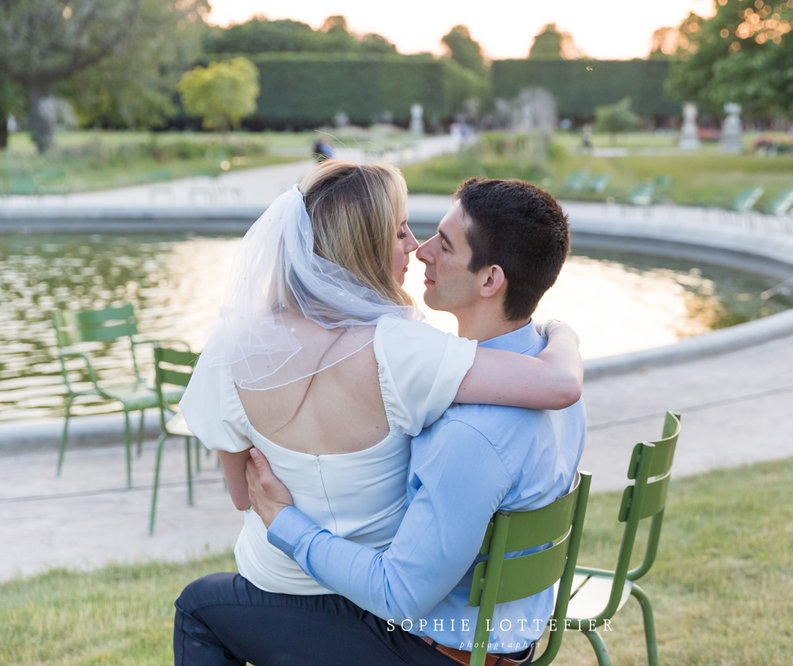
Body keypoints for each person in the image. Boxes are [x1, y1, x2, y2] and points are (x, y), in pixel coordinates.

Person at [174, 177, 586, 665]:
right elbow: (561, 382)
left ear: (490, 279)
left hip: (434, 648)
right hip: (498, 633)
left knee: (201, 606)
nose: (422, 250)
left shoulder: (466, 432)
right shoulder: (539, 361)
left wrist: (286, 522)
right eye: (407, 233)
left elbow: (398, 596)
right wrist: (564, 332)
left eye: (443, 243)